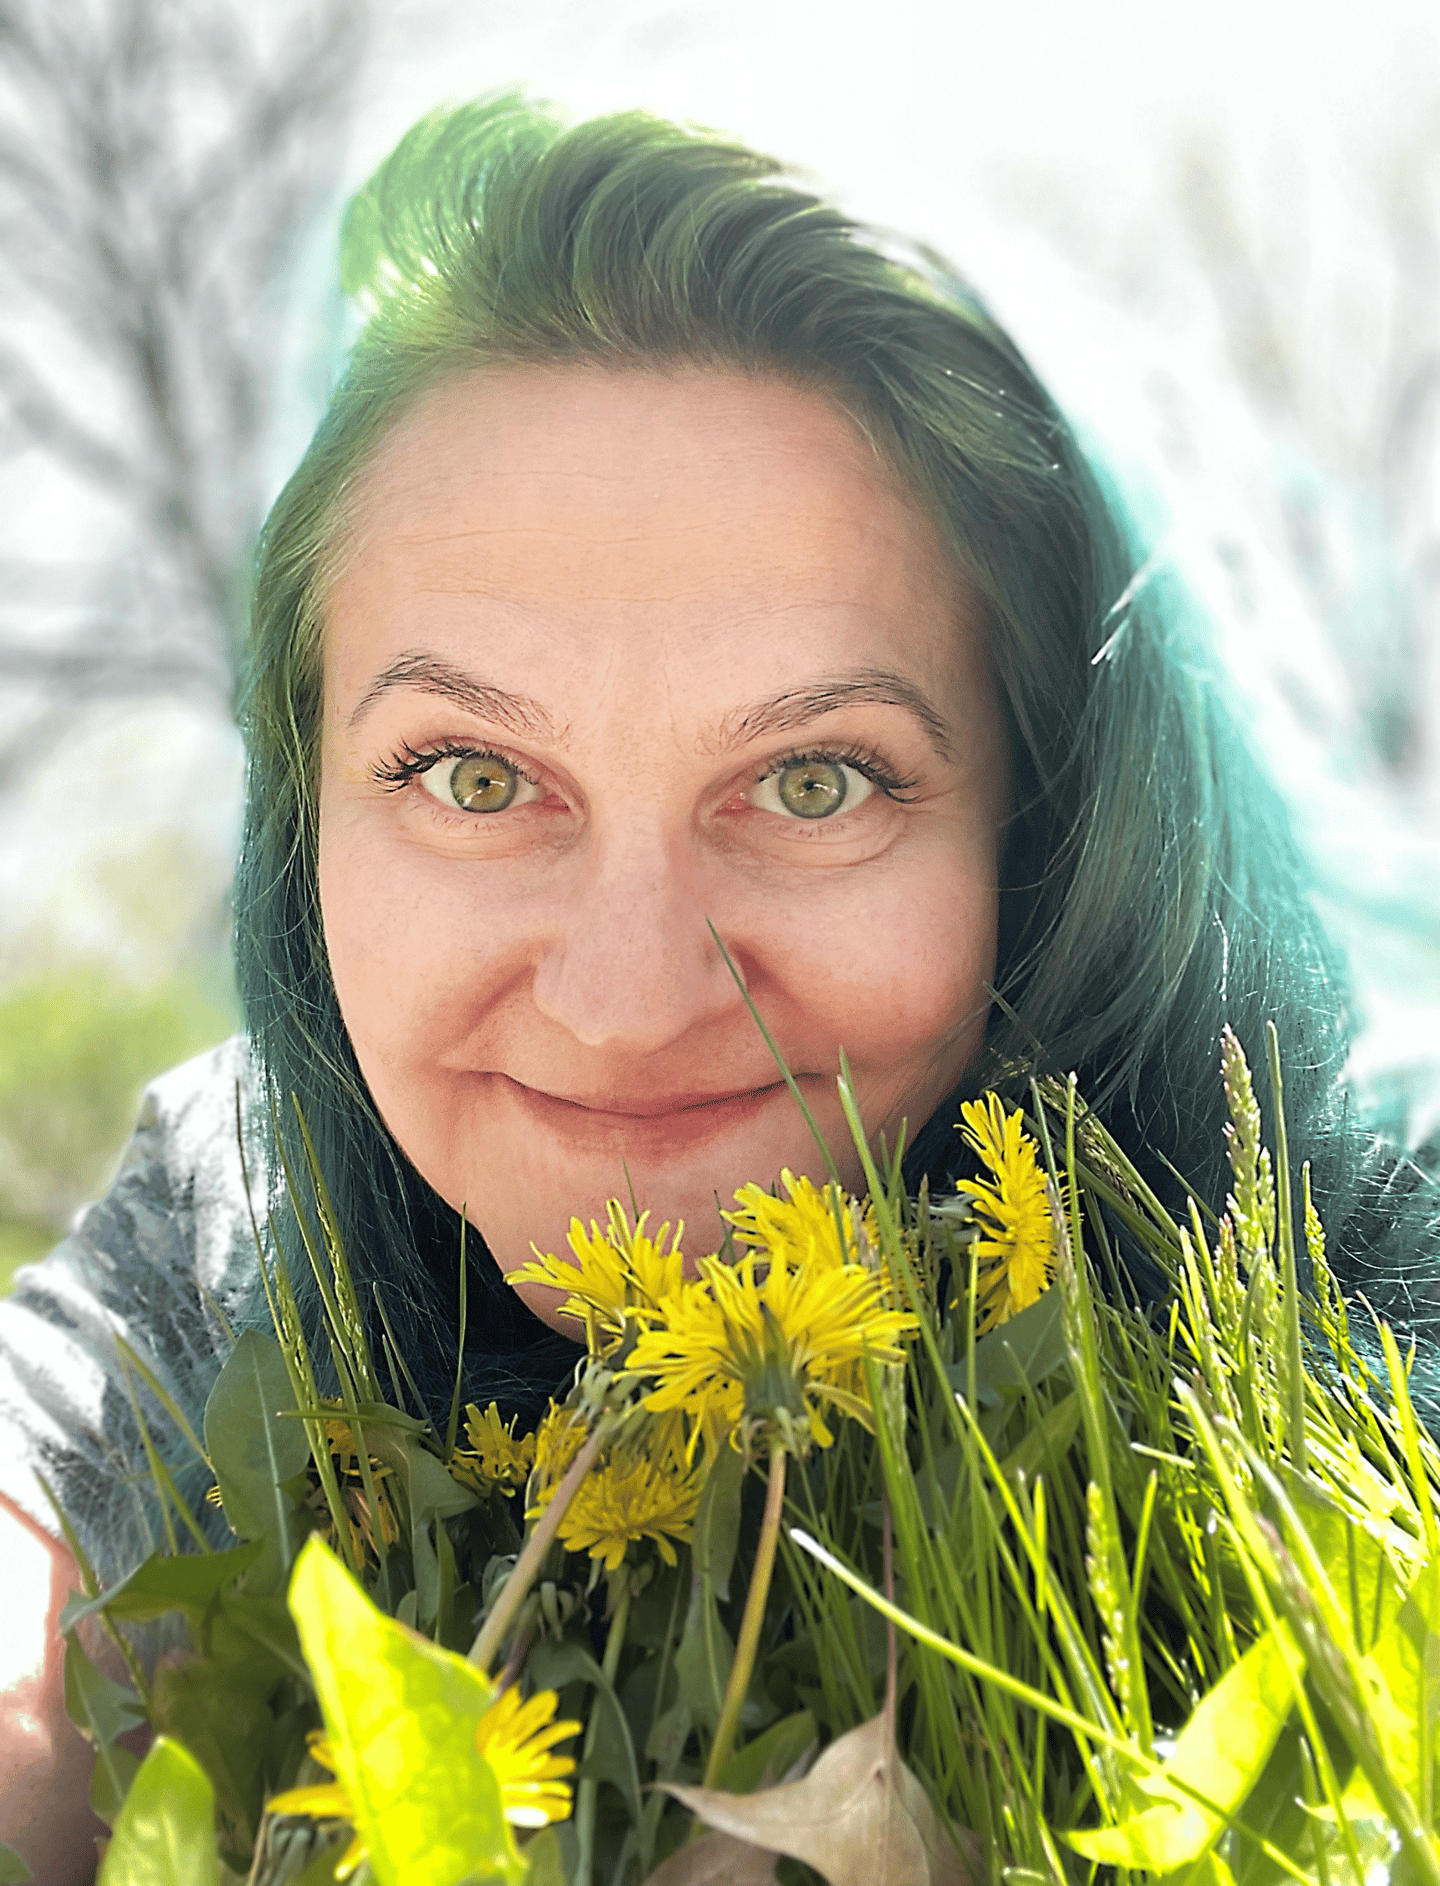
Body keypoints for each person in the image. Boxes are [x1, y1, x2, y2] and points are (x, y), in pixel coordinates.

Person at [1, 95, 1434, 1879]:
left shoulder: (1373, 1274)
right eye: (468, 774)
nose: (624, 1001)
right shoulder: (230, 1226)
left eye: (816, 781)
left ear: (1050, 829)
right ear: (307, 820)